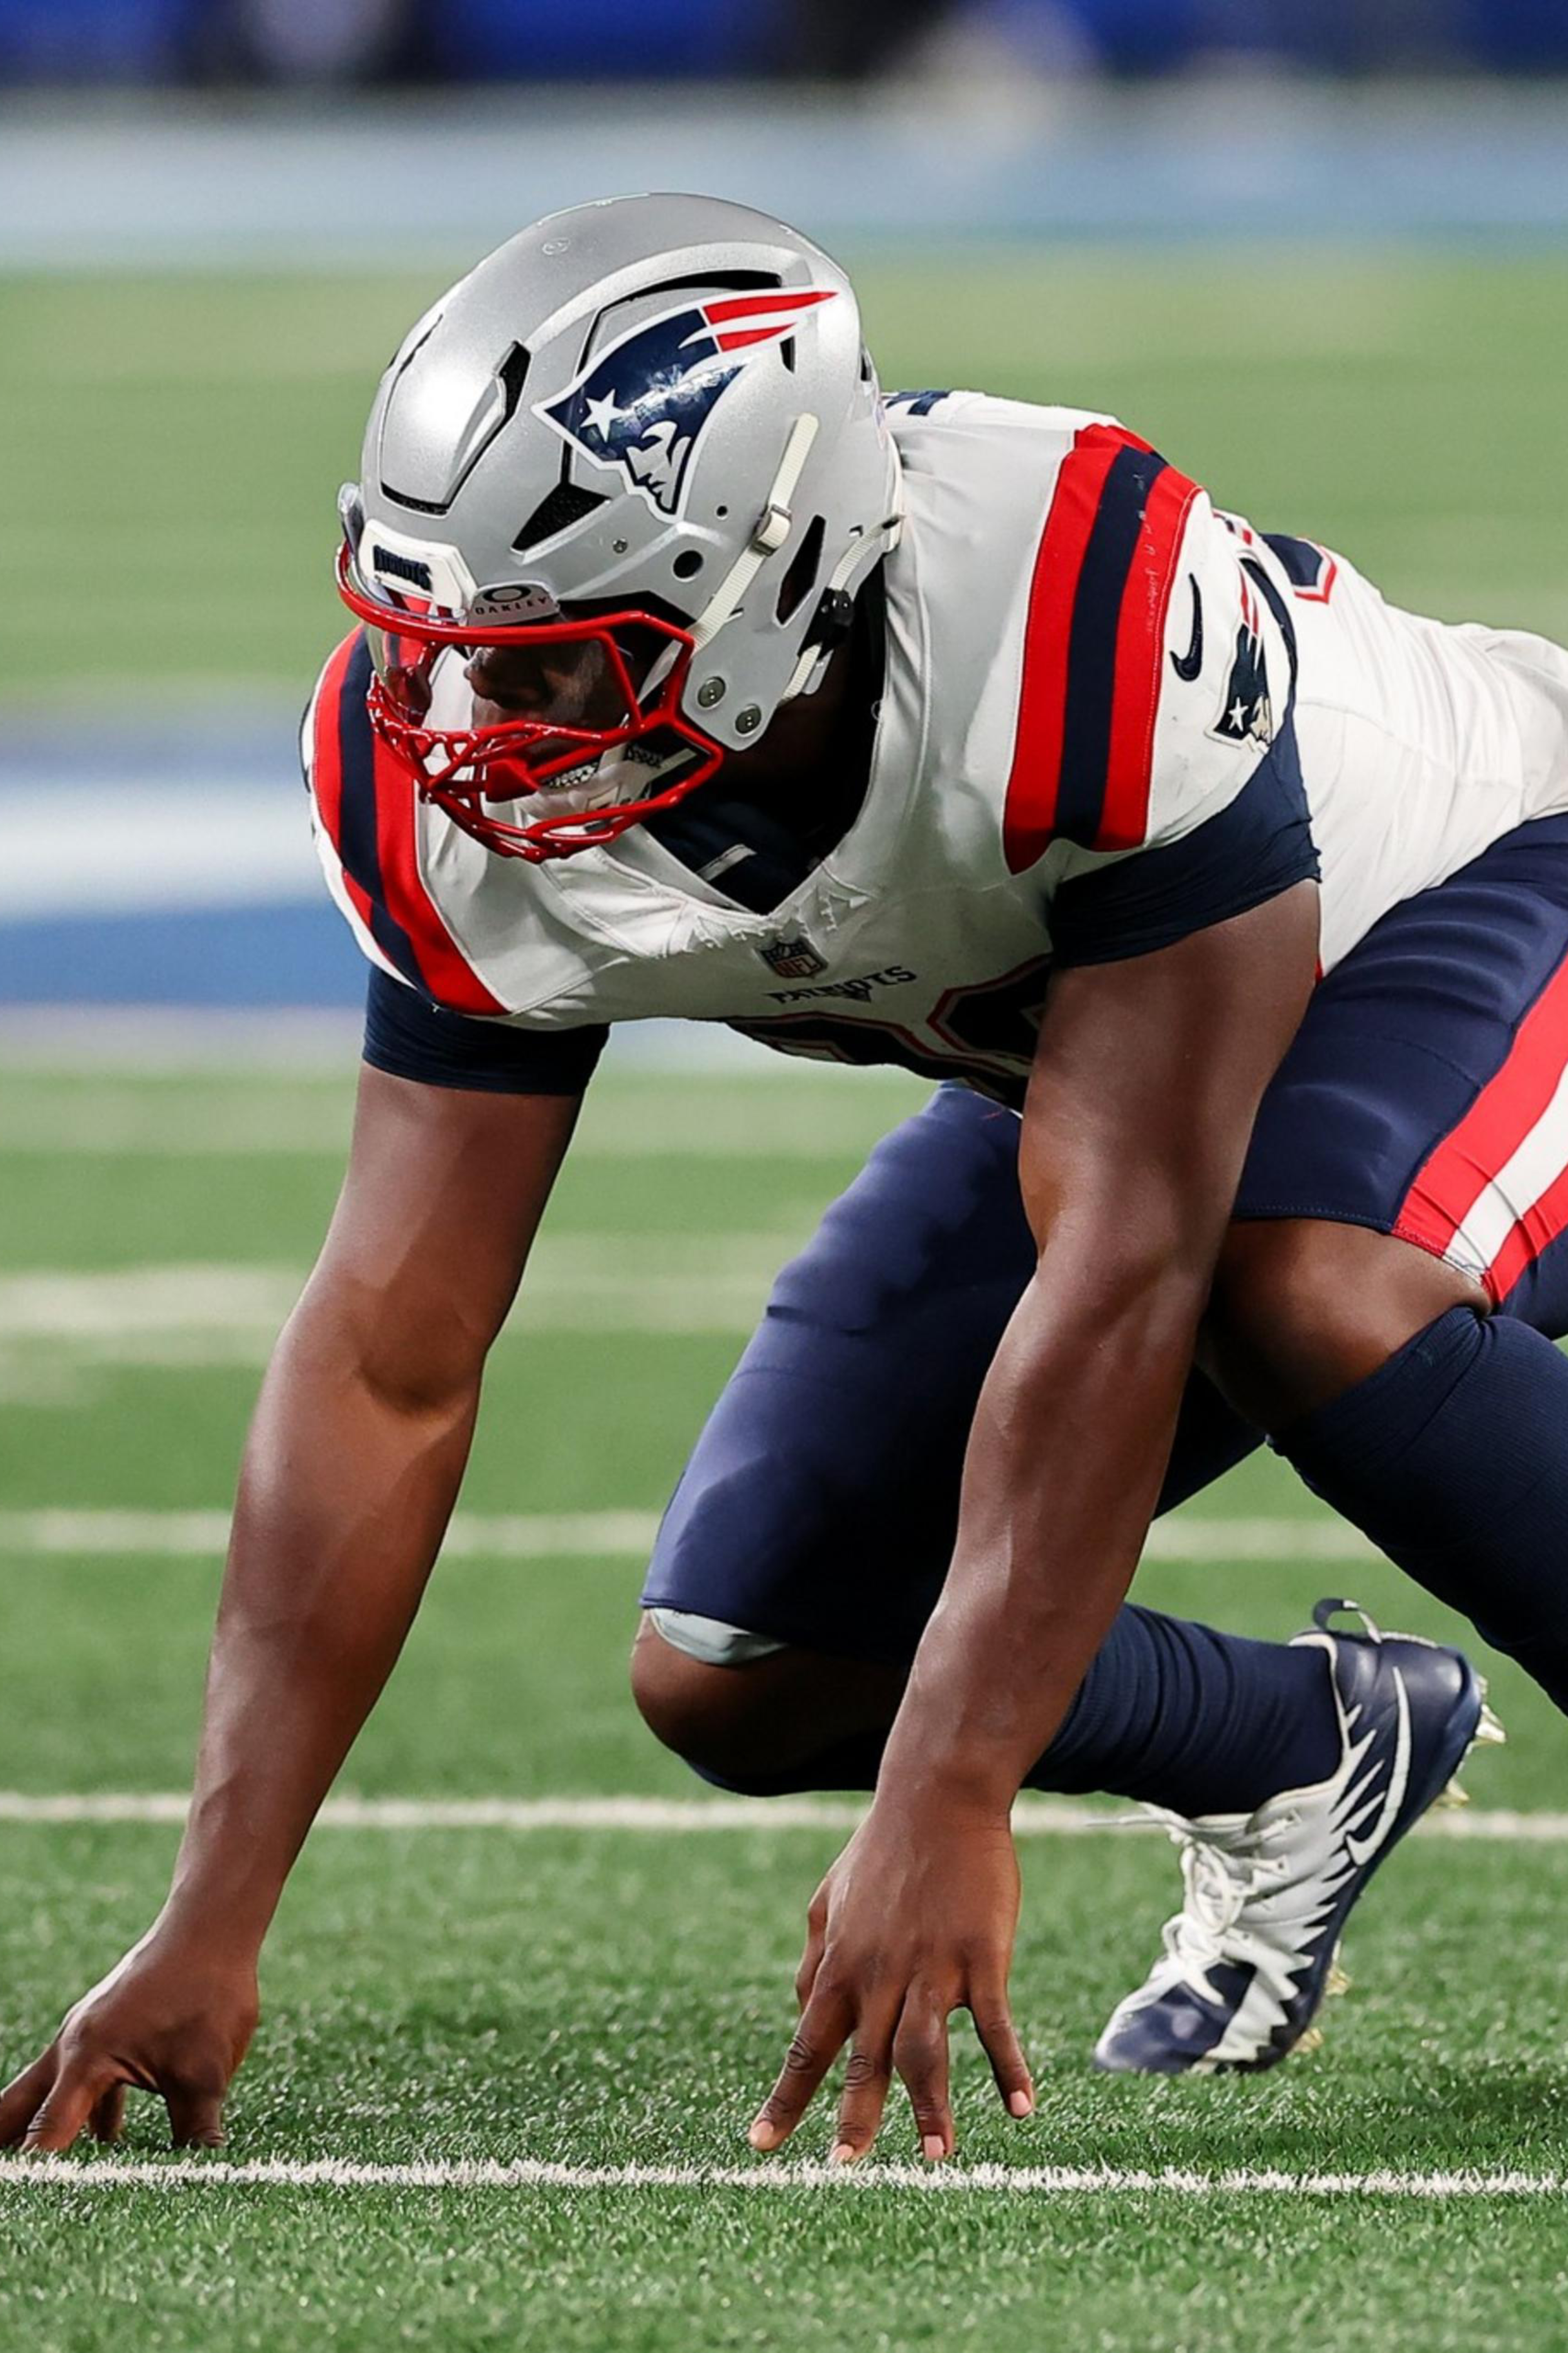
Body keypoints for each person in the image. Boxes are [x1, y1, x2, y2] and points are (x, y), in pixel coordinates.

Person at [20, 188, 1568, 2164]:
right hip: (1141, 1071)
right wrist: (204, 1922)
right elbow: (393, 1348)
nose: (476, 725)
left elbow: (1128, 1262)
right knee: (743, 1665)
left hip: (1484, 888)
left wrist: (953, 1788)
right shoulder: (448, 778)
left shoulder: (1063, 608)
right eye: (448, 648)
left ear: (772, 576)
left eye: (555, 664)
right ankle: (1310, 1747)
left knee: (1302, 1272)